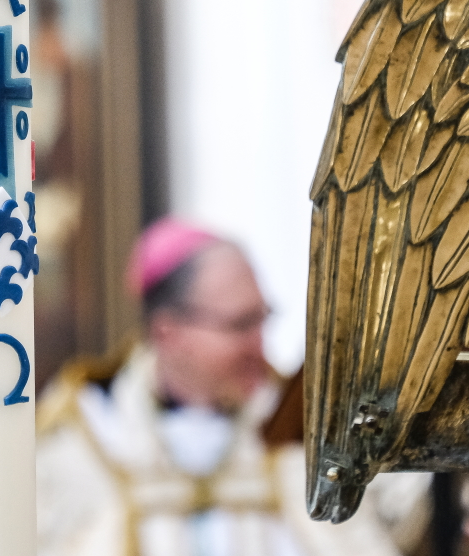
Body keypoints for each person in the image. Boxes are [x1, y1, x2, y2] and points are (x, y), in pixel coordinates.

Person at [37, 217, 428, 556]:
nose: (260, 344)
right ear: (167, 331)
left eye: (263, 319)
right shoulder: (85, 435)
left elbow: (404, 516)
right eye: (240, 325)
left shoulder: (305, 426)